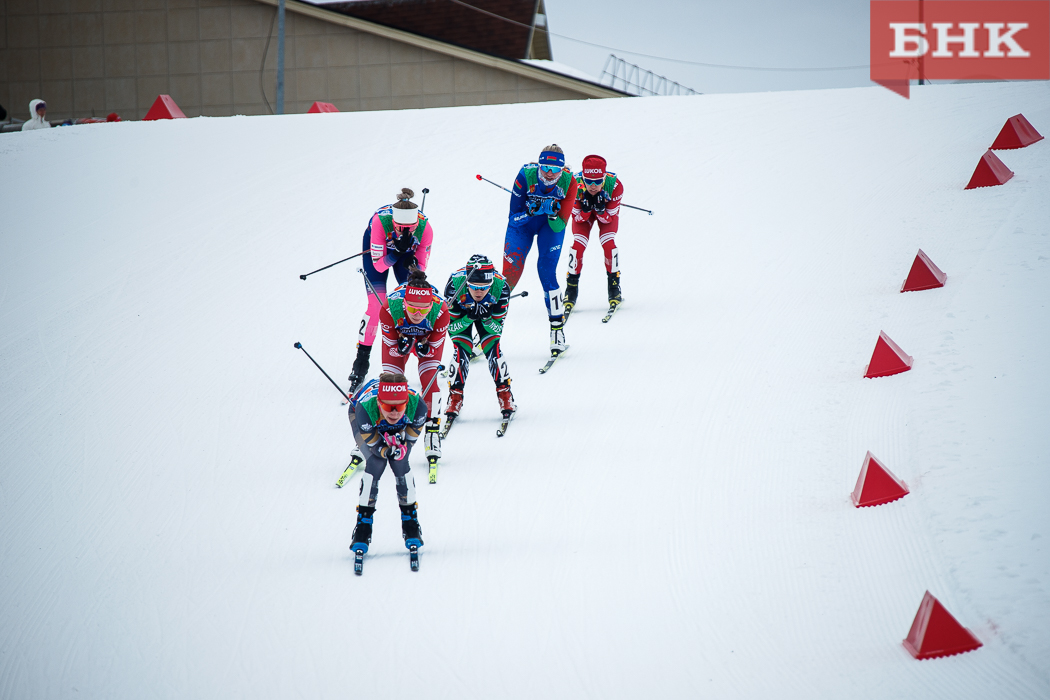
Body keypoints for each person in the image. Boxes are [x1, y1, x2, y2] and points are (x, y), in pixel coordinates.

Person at [349, 188, 434, 392]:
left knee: (412, 296)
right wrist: (396, 251)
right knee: (376, 306)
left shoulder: (426, 228)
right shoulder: (380, 222)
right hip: (380, 254)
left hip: (403, 254)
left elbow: (421, 269)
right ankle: (361, 363)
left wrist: (413, 265)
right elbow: (379, 265)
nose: (405, 231)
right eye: (399, 228)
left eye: (411, 228)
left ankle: (416, 343)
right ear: (393, 223)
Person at [502, 144, 578, 357]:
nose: (550, 174)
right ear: (539, 165)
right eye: (545, 168)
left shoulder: (570, 182)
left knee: (546, 271)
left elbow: (560, 225)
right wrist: (530, 212)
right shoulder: (525, 175)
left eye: (556, 170)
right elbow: (513, 219)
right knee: (509, 275)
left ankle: (557, 332)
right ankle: (488, 330)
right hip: (524, 226)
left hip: (549, 228)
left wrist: (553, 214)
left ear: (563, 170)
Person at [349, 372, 428, 555]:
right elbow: (375, 446)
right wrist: (385, 449)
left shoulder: (418, 407)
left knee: (400, 462)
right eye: (388, 406)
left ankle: (410, 522)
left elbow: (408, 442)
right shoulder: (365, 408)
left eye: (400, 406)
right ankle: (363, 525)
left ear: (407, 402)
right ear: (378, 403)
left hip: (389, 421)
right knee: (376, 462)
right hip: (364, 417)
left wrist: (400, 448)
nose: (394, 412)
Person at [379, 269, 449, 459]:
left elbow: (434, 348)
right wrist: (402, 347)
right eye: (412, 309)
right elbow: (391, 347)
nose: (417, 314)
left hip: (426, 338)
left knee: (429, 380)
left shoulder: (441, 310)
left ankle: (432, 431)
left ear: (430, 306)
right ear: (404, 304)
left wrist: (424, 349)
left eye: (423, 310)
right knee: (391, 383)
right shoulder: (389, 308)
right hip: (399, 337)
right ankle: (388, 427)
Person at [443, 254, 515, 427]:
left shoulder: (501, 287)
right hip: (462, 316)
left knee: (493, 349)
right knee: (461, 350)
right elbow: (451, 329)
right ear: (467, 282)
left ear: (491, 284)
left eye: (484, 288)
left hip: (487, 317)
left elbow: (497, 331)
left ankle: (505, 395)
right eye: (473, 286)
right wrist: (468, 318)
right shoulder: (454, 286)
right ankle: (455, 396)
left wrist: (487, 318)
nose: (478, 292)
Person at [565, 155, 624, 317]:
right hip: (584, 217)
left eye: (598, 181)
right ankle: (570, 290)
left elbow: (609, 218)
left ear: (604, 178)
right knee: (577, 247)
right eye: (588, 181)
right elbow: (577, 218)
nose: (592, 186)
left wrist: (599, 209)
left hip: (605, 215)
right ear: (582, 177)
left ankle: (614, 289)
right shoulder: (573, 185)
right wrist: (585, 210)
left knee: (609, 245)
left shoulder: (615, 186)